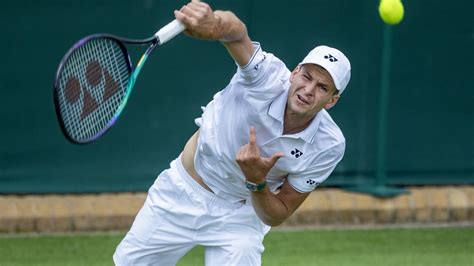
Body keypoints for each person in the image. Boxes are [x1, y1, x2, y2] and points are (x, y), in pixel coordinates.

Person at [113, 1, 351, 265]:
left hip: (241, 215)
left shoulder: (329, 145)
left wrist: (257, 181)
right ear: (294, 73)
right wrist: (214, 24)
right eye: (306, 77)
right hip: (183, 189)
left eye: (322, 87)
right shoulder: (267, 76)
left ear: (331, 100)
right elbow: (237, 32)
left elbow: (277, 214)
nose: (308, 90)